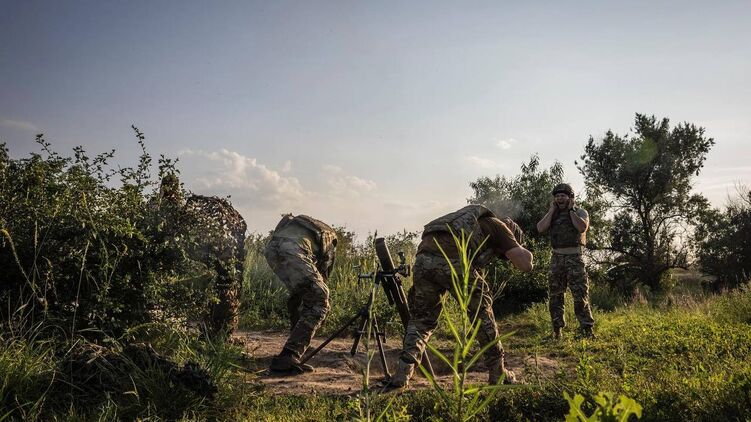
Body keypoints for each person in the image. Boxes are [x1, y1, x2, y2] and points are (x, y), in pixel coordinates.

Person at [386, 205, 534, 390]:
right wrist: (520, 248)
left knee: (422, 321)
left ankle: (402, 373)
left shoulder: (477, 224)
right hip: (453, 258)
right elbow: (525, 265)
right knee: (482, 315)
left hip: (424, 257)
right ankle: (498, 372)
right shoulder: (502, 228)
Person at [151, 173, 247, 338]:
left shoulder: (175, 210)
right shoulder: (173, 209)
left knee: (225, 285)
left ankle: (219, 333)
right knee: (225, 284)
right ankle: (217, 332)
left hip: (221, 256)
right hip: (221, 256)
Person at [264, 214, 338, 374]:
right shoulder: (331, 241)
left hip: (271, 249)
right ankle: (289, 355)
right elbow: (323, 276)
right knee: (320, 299)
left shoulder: (306, 228)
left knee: (302, 293)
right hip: (294, 251)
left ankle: (293, 343)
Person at [536, 183, 595, 339]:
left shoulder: (580, 212)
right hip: (556, 258)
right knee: (555, 296)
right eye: (557, 196)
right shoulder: (553, 214)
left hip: (575, 258)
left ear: (570, 198)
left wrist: (570, 211)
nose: (560, 198)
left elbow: (582, 228)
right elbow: (540, 228)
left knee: (580, 294)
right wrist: (551, 211)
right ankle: (557, 332)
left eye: (563, 196)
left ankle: (587, 330)